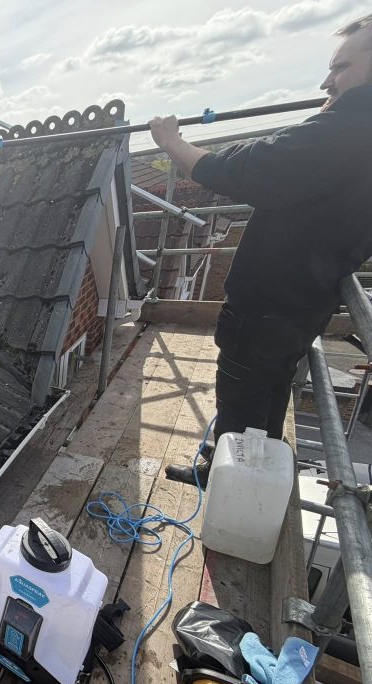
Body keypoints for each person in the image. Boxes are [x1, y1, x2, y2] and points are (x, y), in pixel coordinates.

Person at [149, 13, 372, 486]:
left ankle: (230, 489)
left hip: (269, 305)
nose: (326, 81)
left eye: (342, 67)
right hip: (303, 300)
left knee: (243, 398)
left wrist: (171, 141)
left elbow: (235, 170)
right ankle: (243, 468)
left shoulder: (344, 132)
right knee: (266, 397)